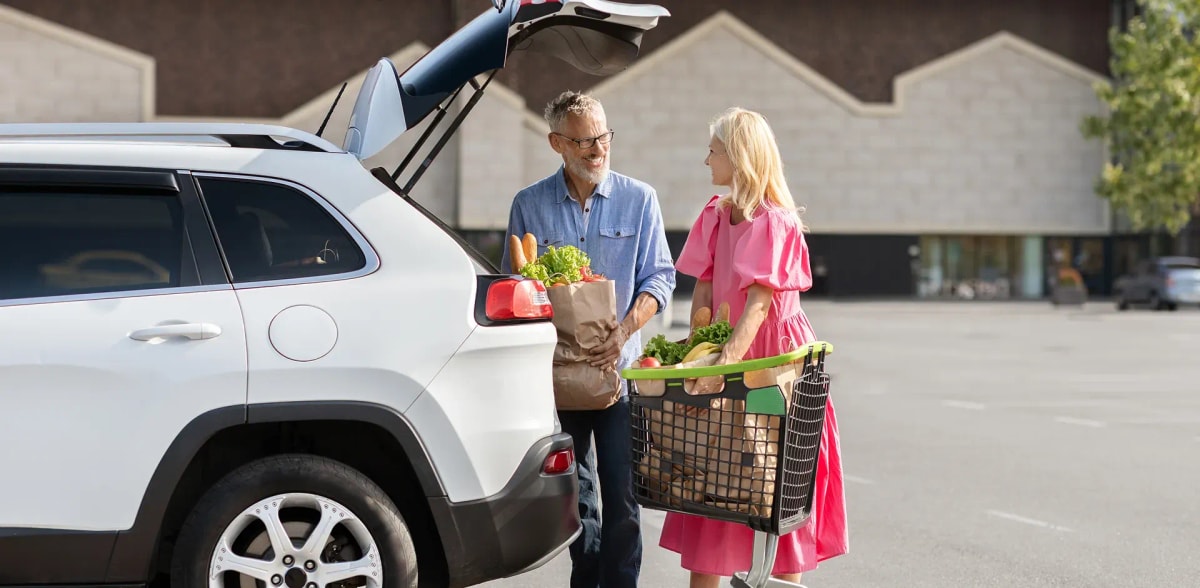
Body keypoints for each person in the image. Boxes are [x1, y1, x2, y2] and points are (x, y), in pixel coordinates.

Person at [659, 107, 849, 587]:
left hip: (774, 361)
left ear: (739, 159)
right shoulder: (716, 215)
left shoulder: (775, 222)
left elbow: (759, 306)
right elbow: (703, 291)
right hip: (735, 350)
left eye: (714, 151)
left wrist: (724, 364)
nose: (706, 161)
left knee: (773, 482)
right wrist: (694, 349)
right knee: (711, 477)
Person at [501, 90, 676, 588]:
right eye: (583, 141)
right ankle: (588, 579)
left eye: (603, 137)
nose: (597, 149)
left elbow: (659, 279)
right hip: (558, 380)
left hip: (621, 379)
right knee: (576, 501)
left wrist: (622, 332)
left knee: (622, 499)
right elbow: (515, 289)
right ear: (557, 142)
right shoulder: (529, 205)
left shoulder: (640, 199)